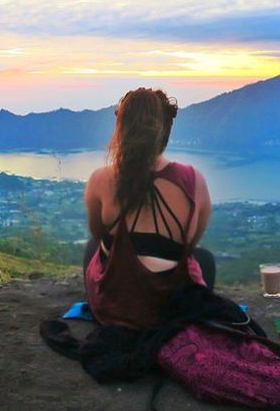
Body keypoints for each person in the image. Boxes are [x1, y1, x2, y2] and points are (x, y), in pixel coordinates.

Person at [83, 87, 215, 330]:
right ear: (164, 131)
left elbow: (98, 233)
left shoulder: (100, 179)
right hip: (172, 310)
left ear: (121, 129)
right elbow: (190, 242)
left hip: (116, 309)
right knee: (204, 259)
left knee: (94, 248)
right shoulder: (193, 180)